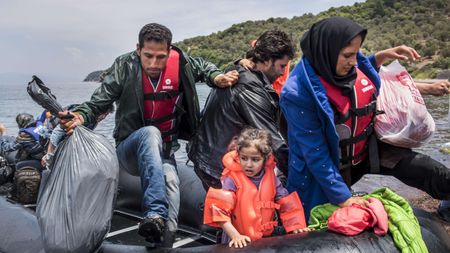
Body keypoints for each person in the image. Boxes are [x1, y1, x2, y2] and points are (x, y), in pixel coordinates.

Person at [59, 23, 239, 246]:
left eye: (161, 57)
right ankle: (154, 211)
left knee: (172, 190)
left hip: (164, 152)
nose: (154, 63)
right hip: (130, 149)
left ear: (170, 50)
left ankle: (161, 240)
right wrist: (80, 116)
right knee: (150, 133)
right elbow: (98, 102)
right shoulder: (124, 66)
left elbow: (203, 67)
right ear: (138, 49)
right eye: (148, 56)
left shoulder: (180, 62)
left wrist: (217, 77)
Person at [280, 17, 450, 221]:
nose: (353, 61)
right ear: (327, 51)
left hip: (365, 150)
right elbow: (314, 152)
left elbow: (362, 68)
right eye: (348, 55)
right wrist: (343, 198)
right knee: (317, 221)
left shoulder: (348, 65)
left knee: (429, 171)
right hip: (323, 167)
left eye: (356, 53)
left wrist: (382, 56)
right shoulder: (297, 93)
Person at [188, 30, 295, 190]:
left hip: (208, 155)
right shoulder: (248, 87)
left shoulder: (241, 70)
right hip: (217, 168)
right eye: (281, 66)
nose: (282, 72)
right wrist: (299, 175)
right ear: (266, 60)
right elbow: (272, 139)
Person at [203, 128, 310, 248]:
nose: (248, 164)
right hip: (237, 239)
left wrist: (296, 226)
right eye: (244, 158)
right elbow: (219, 211)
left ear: (265, 159)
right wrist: (235, 236)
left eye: (255, 160)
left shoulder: (271, 178)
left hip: (264, 239)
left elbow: (287, 203)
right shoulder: (231, 180)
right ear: (238, 155)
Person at [41, 104, 114, 168]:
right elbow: (57, 132)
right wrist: (49, 153)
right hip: (49, 136)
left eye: (106, 114)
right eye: (102, 113)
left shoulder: (94, 119)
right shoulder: (80, 115)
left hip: (64, 137)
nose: (103, 117)